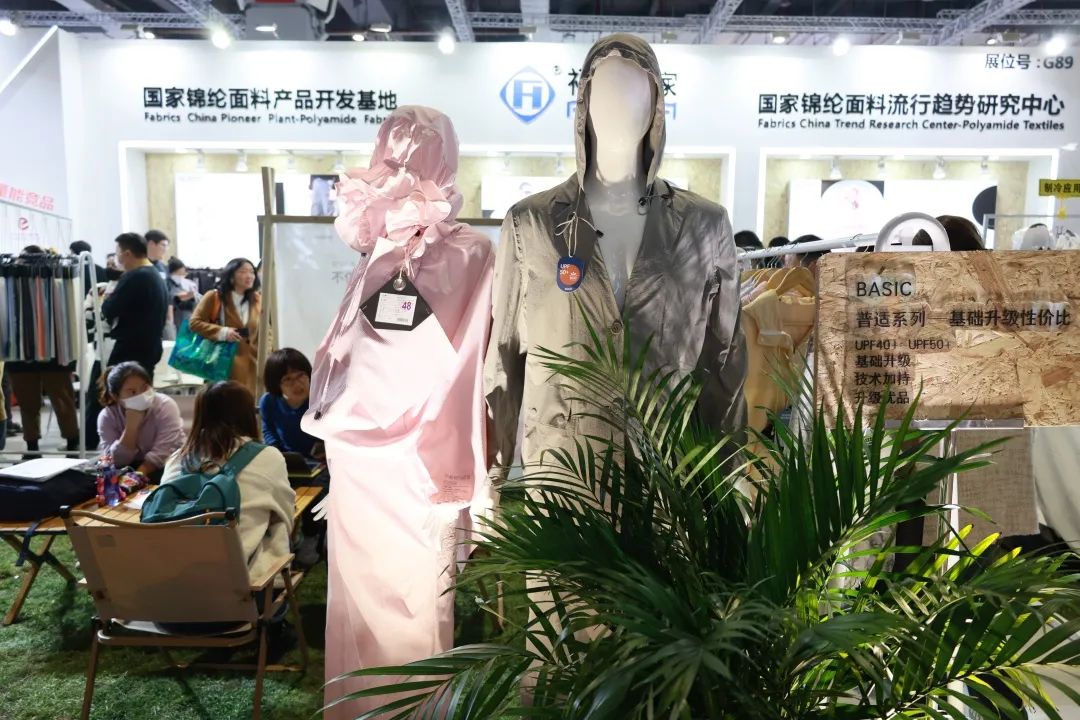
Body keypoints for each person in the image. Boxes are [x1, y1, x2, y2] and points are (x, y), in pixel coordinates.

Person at [161, 382, 294, 584]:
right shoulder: (268, 457)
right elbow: (285, 513)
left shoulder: (177, 460)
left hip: (171, 582)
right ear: (247, 414)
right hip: (241, 585)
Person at [8, 246, 80, 457]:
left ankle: (32, 446)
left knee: (29, 403)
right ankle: (72, 442)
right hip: (56, 353)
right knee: (62, 399)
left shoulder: (10, 281)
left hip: (21, 354)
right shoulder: (59, 279)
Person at [97, 362, 185, 482]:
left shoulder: (165, 406)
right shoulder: (107, 416)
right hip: (127, 468)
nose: (141, 395)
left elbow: (164, 450)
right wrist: (131, 428)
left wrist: (135, 477)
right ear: (115, 396)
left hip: (167, 466)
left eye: (144, 388)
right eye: (132, 392)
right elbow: (114, 461)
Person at [189, 258, 263, 398]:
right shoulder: (215, 296)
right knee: (224, 401)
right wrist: (222, 332)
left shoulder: (258, 299)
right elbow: (194, 323)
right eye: (243, 272)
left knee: (249, 403)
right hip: (223, 362)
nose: (249, 276)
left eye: (252, 272)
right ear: (231, 275)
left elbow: (266, 329)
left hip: (253, 364)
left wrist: (267, 351)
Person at [101, 233, 169, 381]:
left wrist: (106, 298)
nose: (117, 259)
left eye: (118, 254)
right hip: (149, 347)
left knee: (118, 390)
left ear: (127, 254)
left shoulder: (135, 276)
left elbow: (109, 309)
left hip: (130, 349)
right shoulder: (154, 273)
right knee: (141, 389)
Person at [259, 348, 322, 459]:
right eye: (288, 379)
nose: (297, 384)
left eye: (300, 375)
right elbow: (269, 431)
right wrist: (276, 453)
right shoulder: (269, 402)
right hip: (286, 461)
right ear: (276, 384)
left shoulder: (321, 400)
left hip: (320, 463)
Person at [167, 257, 202, 331]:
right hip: (177, 315)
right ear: (178, 269)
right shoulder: (168, 283)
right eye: (183, 268)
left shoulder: (185, 282)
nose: (184, 270)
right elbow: (172, 299)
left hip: (188, 315)